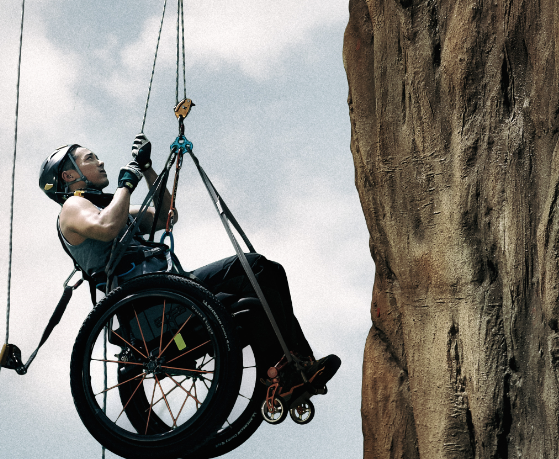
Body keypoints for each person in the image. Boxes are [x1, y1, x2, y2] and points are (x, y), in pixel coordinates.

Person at [40, 137, 340, 401]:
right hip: (153, 306)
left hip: (170, 300)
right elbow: (106, 228)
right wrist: (125, 185)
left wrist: (146, 170)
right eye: (90, 158)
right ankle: (296, 363)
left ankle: (285, 376)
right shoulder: (73, 209)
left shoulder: (104, 207)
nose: (101, 161)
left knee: (254, 301)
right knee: (255, 268)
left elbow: (166, 218)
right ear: (69, 174)